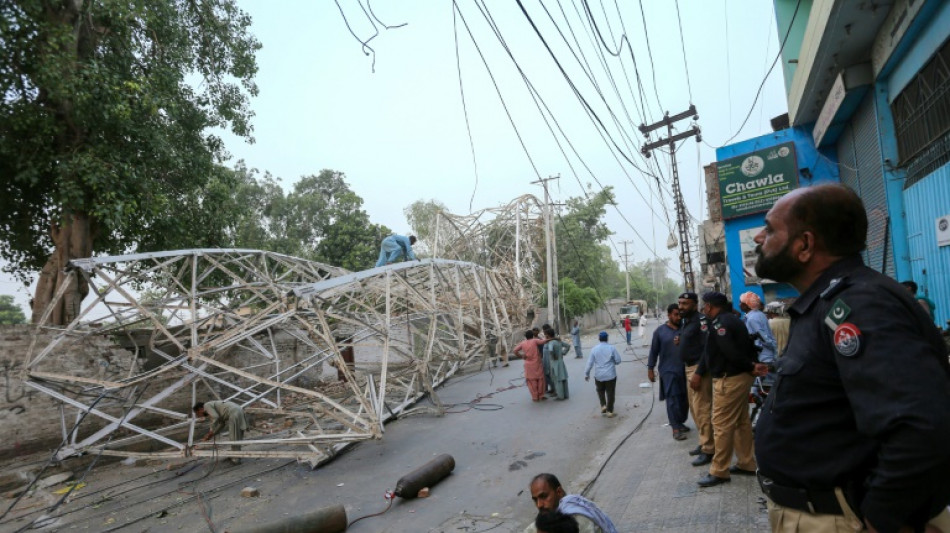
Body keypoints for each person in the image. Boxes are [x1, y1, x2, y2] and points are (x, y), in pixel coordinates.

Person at [752, 183, 950, 532]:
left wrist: (883, 516)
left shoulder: (858, 304)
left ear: (805, 245)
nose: (757, 237)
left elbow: (920, 424)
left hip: (845, 519)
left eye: (770, 228)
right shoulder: (824, 304)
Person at [691, 291, 768, 488]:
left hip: (730, 379)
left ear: (709, 306)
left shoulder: (721, 323)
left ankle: (719, 470)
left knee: (721, 423)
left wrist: (750, 367)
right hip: (738, 376)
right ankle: (746, 462)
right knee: (741, 421)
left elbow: (730, 352)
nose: (703, 308)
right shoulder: (729, 320)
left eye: (704, 305)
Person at [677, 291, 714, 467]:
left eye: (685, 303)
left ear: (694, 304)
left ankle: (709, 449)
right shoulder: (687, 322)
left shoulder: (701, 321)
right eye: (680, 303)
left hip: (699, 370)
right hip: (689, 368)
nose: (681, 307)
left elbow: (708, 348)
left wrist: (699, 373)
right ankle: (703, 441)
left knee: (702, 410)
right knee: (695, 409)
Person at [524, 473, 617, 533]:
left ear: (559, 492)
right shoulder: (555, 515)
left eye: (543, 496)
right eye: (535, 500)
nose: (539, 504)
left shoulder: (577, 518)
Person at [648, 303, 689, 440]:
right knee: (672, 399)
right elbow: (653, 352)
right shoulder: (660, 332)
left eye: (680, 315)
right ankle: (675, 428)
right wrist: (650, 369)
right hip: (668, 371)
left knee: (685, 400)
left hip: (685, 370)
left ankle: (680, 421)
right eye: (676, 315)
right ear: (669, 315)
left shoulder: (685, 329)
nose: (678, 317)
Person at [584, 331, 622, 418]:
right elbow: (618, 360)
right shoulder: (612, 348)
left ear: (599, 339)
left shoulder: (594, 349)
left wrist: (586, 374)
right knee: (610, 393)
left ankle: (603, 405)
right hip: (610, 375)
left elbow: (589, 363)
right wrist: (613, 361)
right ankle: (609, 411)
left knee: (600, 391)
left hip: (599, 375)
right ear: (607, 338)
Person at [513, 330, 548, 402]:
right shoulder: (535, 341)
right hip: (537, 363)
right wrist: (552, 338)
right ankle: (541, 395)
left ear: (526, 336)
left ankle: (535, 397)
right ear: (532, 335)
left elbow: (515, 351)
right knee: (540, 379)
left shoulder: (523, 343)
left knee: (531, 381)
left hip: (528, 364)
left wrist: (521, 356)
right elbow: (544, 341)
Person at [544, 326, 571, 400]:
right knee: (564, 378)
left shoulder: (551, 343)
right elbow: (568, 346)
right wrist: (563, 353)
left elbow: (550, 350)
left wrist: (554, 355)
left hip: (555, 362)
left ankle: (560, 396)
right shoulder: (558, 341)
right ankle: (566, 394)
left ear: (548, 335)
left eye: (545, 334)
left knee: (557, 379)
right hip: (561, 361)